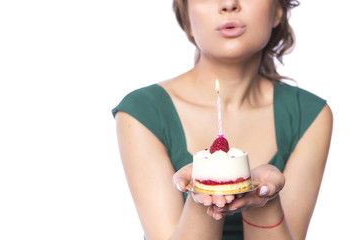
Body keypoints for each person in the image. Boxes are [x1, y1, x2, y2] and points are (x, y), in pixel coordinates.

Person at [112, 0, 333, 239]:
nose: (229, 4)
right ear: (186, 18)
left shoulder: (309, 115)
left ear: (278, 11)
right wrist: (204, 194)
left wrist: (265, 201)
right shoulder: (143, 112)